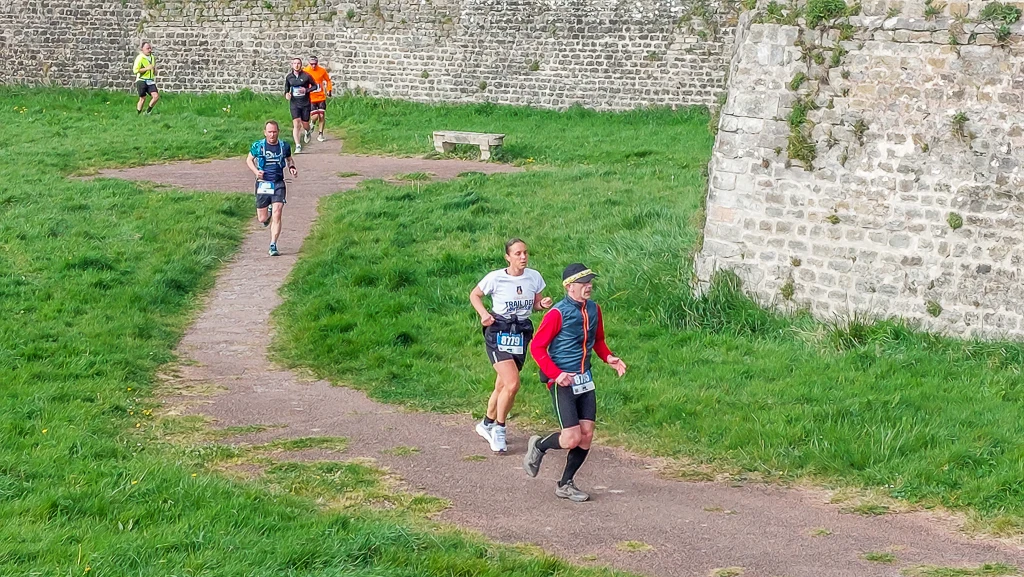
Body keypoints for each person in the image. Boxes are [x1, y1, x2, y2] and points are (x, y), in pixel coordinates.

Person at [523, 263, 627, 502]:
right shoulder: (557, 314)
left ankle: (565, 484)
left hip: (585, 380)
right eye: (583, 283)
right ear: (569, 287)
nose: (588, 286)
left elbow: (598, 340)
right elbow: (537, 347)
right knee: (571, 438)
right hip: (562, 382)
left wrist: (609, 358)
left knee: (586, 435)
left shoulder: (593, 309)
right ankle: (539, 446)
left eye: (590, 282)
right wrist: (557, 374)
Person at [470, 239, 553, 453]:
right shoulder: (495, 278)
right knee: (513, 383)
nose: (523, 257)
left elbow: (535, 305)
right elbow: (474, 295)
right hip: (498, 331)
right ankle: (499, 429)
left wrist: (541, 304)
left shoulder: (534, 277)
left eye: (525, 252)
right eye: (518, 253)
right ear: (508, 257)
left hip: (521, 333)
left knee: (502, 385)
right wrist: (484, 314)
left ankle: (486, 424)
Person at [246, 120, 297, 257]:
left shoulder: (284, 146)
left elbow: (289, 159)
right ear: (265, 132)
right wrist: (256, 172)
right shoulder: (258, 146)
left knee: (277, 212)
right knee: (262, 219)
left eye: (274, 132)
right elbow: (249, 160)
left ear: (278, 132)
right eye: (269, 132)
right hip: (263, 184)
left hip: (278, 183)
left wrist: (292, 167)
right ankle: (267, 213)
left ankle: (273, 244)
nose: (272, 135)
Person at [284, 58, 316, 153]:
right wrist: (286, 94)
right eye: (295, 63)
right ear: (292, 65)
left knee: (305, 123)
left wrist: (306, 90)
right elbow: (287, 88)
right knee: (296, 124)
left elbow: (315, 86)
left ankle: (307, 131)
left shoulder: (306, 76)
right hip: (294, 103)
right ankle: (298, 145)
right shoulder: (289, 77)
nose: (296, 65)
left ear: (301, 65)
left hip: (305, 103)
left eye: (298, 63)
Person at [303, 56, 333, 143]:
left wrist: (329, 90)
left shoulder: (322, 70)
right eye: (311, 64)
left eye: (315, 64)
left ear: (317, 63)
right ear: (309, 63)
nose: (313, 66)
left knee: (322, 115)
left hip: (321, 96)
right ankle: (311, 124)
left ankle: (320, 134)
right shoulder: (305, 71)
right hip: (311, 97)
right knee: (315, 116)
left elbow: (328, 80)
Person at [133, 41, 159, 115]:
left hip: (150, 80)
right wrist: (146, 69)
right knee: (142, 98)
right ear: (142, 49)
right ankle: (138, 114)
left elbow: (153, 67)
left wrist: (154, 71)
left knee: (156, 96)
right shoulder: (139, 58)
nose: (149, 50)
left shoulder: (152, 57)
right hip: (141, 80)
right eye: (147, 48)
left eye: (150, 48)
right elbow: (135, 70)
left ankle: (147, 112)